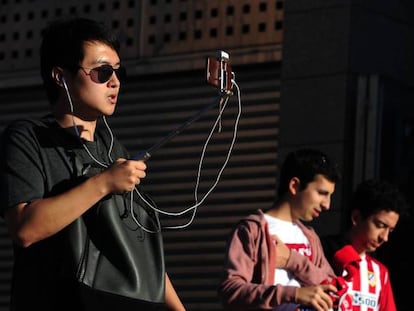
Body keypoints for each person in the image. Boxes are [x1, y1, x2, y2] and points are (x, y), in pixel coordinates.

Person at [0, 17, 185, 311]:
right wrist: (104, 184)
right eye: (101, 72)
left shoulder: (114, 151)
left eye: (117, 71)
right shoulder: (27, 138)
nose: (115, 81)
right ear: (60, 76)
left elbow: (139, 250)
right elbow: (24, 229)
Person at [218, 148, 343, 311]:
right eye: (321, 193)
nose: (327, 205)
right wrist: (294, 294)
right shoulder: (253, 230)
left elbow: (333, 288)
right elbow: (230, 291)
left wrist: (294, 261)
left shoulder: (310, 237)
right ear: (295, 186)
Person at [322, 179, 409, 311]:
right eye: (380, 225)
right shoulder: (320, 253)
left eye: (390, 230)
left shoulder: (380, 273)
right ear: (356, 217)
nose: (385, 237)